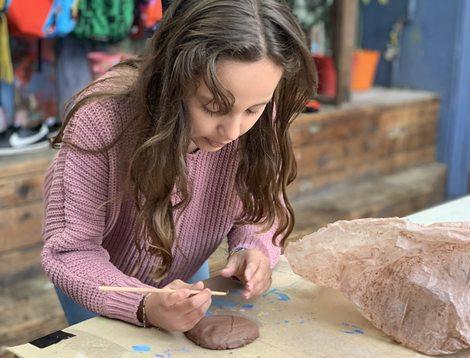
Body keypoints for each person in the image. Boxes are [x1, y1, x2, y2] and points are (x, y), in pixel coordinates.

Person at [42, 0, 316, 331]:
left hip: (184, 270)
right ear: (174, 80)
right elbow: (70, 253)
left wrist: (254, 248)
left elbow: (260, 205)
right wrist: (142, 303)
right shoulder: (101, 121)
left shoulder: (260, 118)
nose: (231, 132)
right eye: (214, 107)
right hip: (98, 283)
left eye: (253, 110)